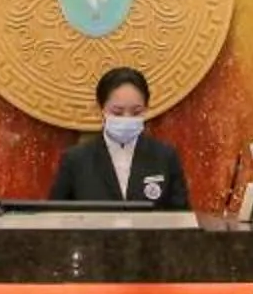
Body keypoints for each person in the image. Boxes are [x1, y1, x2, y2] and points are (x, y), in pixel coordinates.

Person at [48, 66, 191, 207]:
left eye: (136, 112)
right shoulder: (76, 160)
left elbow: (181, 216)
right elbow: (56, 216)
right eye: (117, 112)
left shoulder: (165, 156)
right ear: (101, 109)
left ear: (146, 109)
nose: (127, 118)